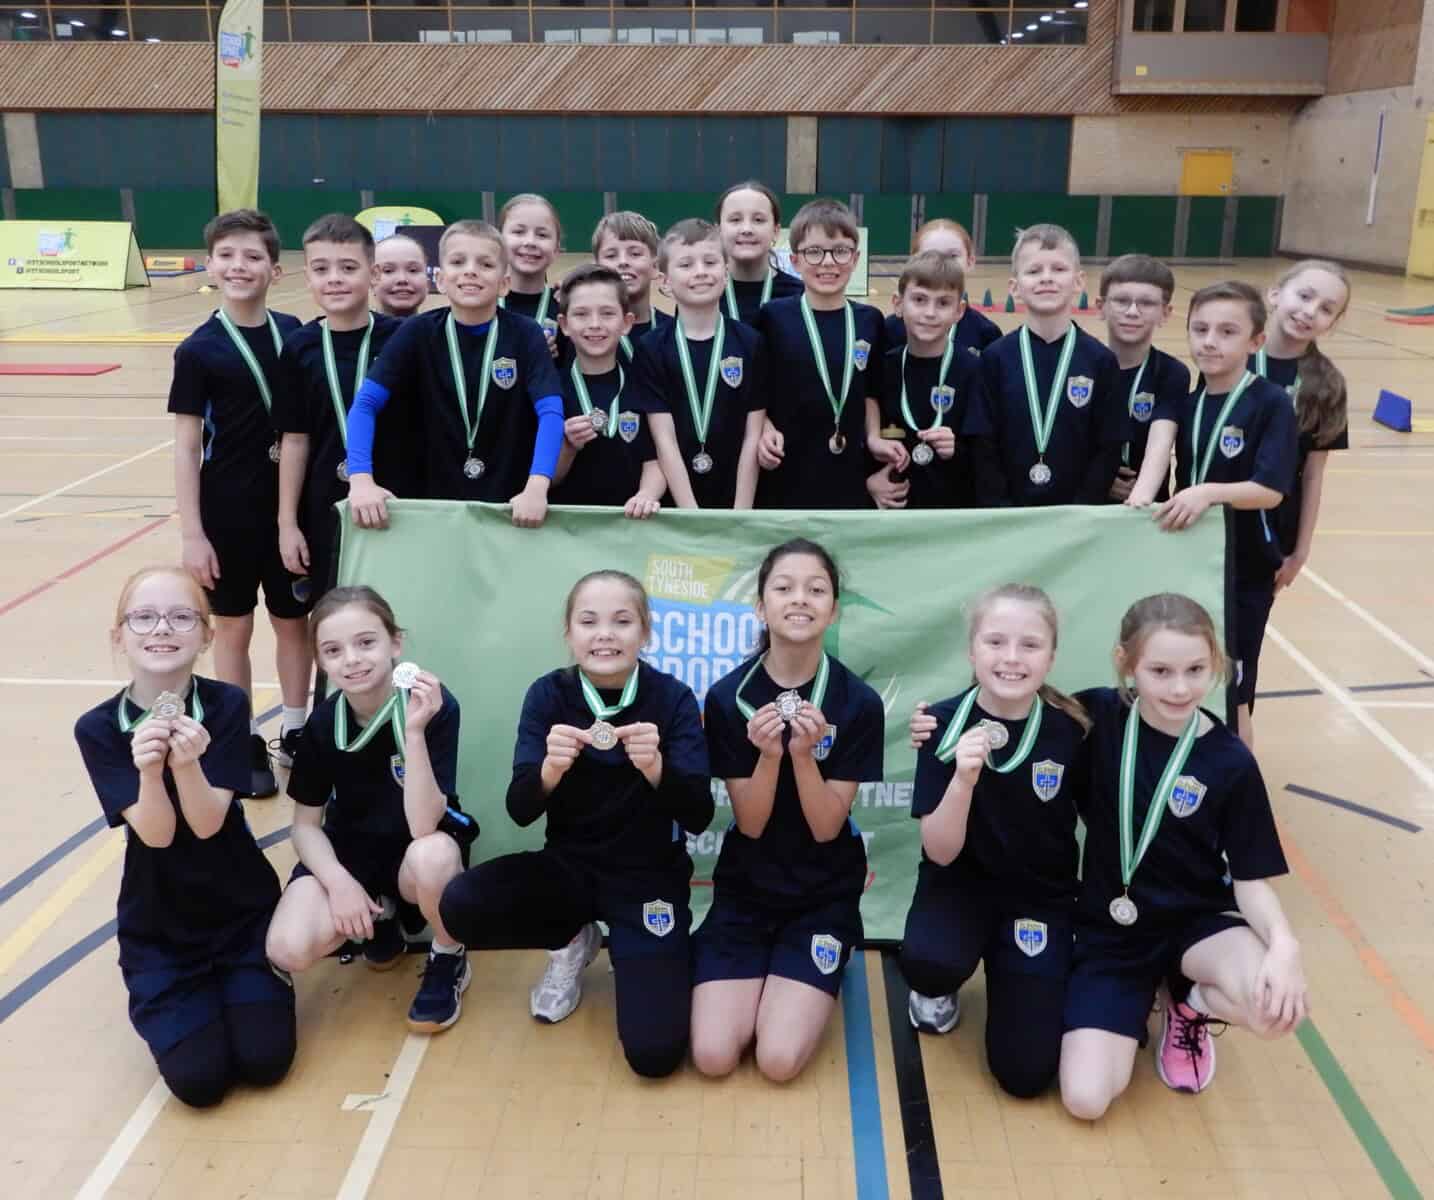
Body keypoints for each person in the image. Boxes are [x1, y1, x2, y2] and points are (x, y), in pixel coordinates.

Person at [439, 571, 711, 1078]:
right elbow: (521, 810)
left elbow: (699, 814)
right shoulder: (548, 695)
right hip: (570, 869)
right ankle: (571, 941)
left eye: (622, 621)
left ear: (645, 632)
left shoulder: (672, 699)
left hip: (649, 879)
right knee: (460, 904)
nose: (604, 634)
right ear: (569, 633)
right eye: (589, 621)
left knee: (654, 1055)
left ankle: (644, 953)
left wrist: (657, 769)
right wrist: (548, 772)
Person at [1060, 594, 1307, 1115]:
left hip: (1198, 925)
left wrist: (1284, 944)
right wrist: (939, 727)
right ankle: (1131, 1000)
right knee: (1086, 1100)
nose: (1180, 688)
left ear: (1214, 662)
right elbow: (1012, 711)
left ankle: (1189, 1006)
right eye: (1160, 671)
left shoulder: (1230, 761)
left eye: (1195, 669)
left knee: (1273, 1012)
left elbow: (1251, 878)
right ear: (1126, 664)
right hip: (1113, 932)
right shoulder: (1095, 718)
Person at [74, 566, 295, 1107]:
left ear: (207, 634)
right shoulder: (98, 727)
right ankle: (174, 993)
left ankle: (249, 978)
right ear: (119, 635)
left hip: (241, 911)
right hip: (160, 925)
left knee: (265, 1062)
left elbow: (207, 823)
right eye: (143, 617)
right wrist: (150, 772)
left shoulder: (226, 705)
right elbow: (156, 834)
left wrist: (187, 764)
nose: (161, 629)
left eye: (181, 616)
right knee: (200, 1082)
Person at [691, 539, 885, 1082]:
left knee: (777, 1061)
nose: (800, 598)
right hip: (747, 891)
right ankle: (767, 968)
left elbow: (826, 827)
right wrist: (769, 755)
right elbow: (751, 824)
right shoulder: (728, 697)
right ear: (761, 607)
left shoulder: (858, 702)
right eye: (784, 587)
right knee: (712, 1057)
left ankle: (823, 960)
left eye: (816, 589)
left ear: (834, 610)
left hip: (822, 895)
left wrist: (802, 755)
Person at [901, 585, 1090, 1097]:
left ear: (1051, 656)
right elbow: (939, 851)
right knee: (929, 960)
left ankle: (1030, 973)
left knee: (1025, 1075)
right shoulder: (940, 725)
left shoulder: (1073, 730)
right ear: (972, 651)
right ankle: (939, 987)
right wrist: (963, 779)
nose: (1011, 657)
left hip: (1038, 900)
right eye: (996, 641)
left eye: (1030, 645)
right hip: (959, 886)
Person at [264, 586, 479, 1033]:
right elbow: (305, 826)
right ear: (320, 662)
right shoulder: (323, 722)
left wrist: (414, 734)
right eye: (333, 650)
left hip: (415, 850)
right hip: (352, 852)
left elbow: (424, 824)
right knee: (287, 948)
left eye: (366, 642)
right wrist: (339, 883)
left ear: (395, 643)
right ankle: (380, 914)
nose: (352, 660)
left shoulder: (433, 706)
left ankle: (448, 955)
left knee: (433, 855)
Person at [168, 208, 308, 796]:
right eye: (226, 256)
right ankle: (242, 735)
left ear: (276, 269)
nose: (239, 266)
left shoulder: (296, 333)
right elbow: (186, 445)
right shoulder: (198, 350)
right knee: (233, 628)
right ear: (210, 265)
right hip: (226, 513)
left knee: (293, 622)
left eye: (253, 256)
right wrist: (192, 533)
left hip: (291, 508)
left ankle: (297, 730)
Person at [1127, 282, 1297, 747]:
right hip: (1188, 560)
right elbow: (1157, 454)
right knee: (1186, 672)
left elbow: (1270, 491)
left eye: (1227, 331)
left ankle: (1239, 775)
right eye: (1200, 329)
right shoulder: (1186, 401)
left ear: (1255, 341)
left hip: (1244, 568)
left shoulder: (1271, 403)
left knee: (1234, 685)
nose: (1209, 341)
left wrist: (1206, 493)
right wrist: (1137, 502)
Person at [344, 219, 564, 531]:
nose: (470, 271)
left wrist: (537, 486)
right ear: (440, 279)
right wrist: (361, 480)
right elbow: (365, 404)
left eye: (485, 264)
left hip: (510, 506)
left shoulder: (526, 335)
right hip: (431, 506)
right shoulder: (416, 332)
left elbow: (551, 411)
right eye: (458, 262)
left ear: (504, 283)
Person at [275, 214, 407, 618]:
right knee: (331, 615)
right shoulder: (299, 347)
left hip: (397, 501)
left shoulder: (403, 338)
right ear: (307, 278)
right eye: (321, 269)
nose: (334, 278)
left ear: (374, 274)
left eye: (348, 268)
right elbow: (294, 439)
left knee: (399, 611)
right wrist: (287, 524)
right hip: (323, 506)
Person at [964, 224, 1124, 507]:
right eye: (1034, 271)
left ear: (1079, 281)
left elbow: (1108, 446)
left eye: (1059, 269)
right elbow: (983, 444)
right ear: (1015, 288)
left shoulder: (1101, 361)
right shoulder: (994, 358)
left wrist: (1082, 508)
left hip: (1077, 517)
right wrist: (1000, 509)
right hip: (1008, 516)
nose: (1046, 278)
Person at [754, 199, 888, 509]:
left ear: (855, 258)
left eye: (840, 251)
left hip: (849, 473)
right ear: (795, 260)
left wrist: (873, 437)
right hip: (786, 470)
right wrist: (765, 429)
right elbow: (757, 391)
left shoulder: (870, 321)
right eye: (814, 252)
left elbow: (871, 391)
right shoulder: (772, 317)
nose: (828, 262)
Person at [633, 219, 767, 510]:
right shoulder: (651, 348)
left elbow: (752, 436)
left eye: (710, 262)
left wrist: (740, 514)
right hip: (677, 508)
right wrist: (690, 516)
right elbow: (664, 440)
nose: (701, 272)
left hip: (738, 504)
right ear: (665, 281)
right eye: (686, 265)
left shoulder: (751, 342)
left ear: (726, 272)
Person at [1251, 260, 1352, 594]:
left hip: (1275, 529)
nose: (1310, 312)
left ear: (1333, 322)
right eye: (1305, 296)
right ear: (1275, 295)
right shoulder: (1231, 358)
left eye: (1326, 309)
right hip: (1211, 516)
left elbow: (1313, 474)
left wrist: (1301, 551)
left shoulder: (1327, 385)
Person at [870, 251, 984, 510]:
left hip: (952, 513)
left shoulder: (975, 371)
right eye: (919, 300)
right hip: (891, 512)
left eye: (943, 303)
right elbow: (864, 441)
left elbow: (986, 454)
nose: (930, 313)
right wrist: (869, 482)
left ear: (959, 311)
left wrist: (957, 449)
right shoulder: (883, 368)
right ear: (898, 304)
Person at [550, 263, 665, 515]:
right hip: (569, 527)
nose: (595, 324)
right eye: (581, 314)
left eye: (607, 313)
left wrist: (646, 494)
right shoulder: (551, 390)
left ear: (626, 323)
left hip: (632, 523)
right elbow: (545, 479)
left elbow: (656, 458)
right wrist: (567, 447)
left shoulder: (644, 385)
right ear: (564, 324)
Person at [1096, 254, 1190, 504]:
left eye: (1147, 303)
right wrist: (1101, 479)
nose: (1132, 312)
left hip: (1146, 504)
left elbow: (1161, 442)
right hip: (1089, 500)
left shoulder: (1172, 373)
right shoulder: (1084, 365)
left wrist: (1139, 499)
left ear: (1165, 313)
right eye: (1121, 301)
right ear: (1100, 307)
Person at [885, 218, 1002, 358]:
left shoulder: (987, 334)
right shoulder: (888, 330)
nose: (941, 263)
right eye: (929, 255)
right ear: (913, 261)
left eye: (952, 256)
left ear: (970, 262)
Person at [714, 180, 803, 324]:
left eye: (758, 220)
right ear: (719, 231)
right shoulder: (703, 294)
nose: (746, 229)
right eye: (735, 220)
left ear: (775, 231)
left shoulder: (800, 296)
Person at [592, 210, 674, 358]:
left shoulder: (674, 332)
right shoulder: (586, 334)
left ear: (655, 266)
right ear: (596, 269)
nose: (623, 262)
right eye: (611, 255)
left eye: (635, 254)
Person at [497, 192, 563, 357]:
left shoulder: (565, 305)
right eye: (519, 232)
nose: (530, 242)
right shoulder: (482, 304)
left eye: (542, 235)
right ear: (499, 242)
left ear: (556, 249)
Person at [372, 233, 430, 319]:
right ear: (371, 281)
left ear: (427, 282)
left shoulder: (440, 327)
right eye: (388, 271)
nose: (402, 279)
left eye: (413, 270)